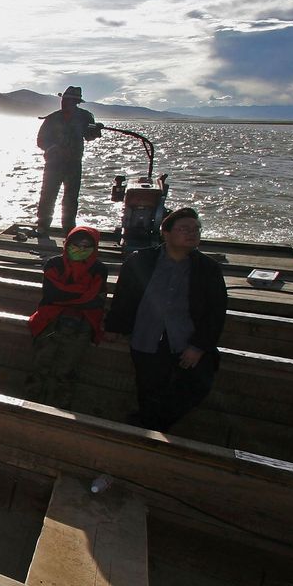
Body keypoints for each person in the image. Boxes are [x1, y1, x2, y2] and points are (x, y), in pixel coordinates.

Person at [104, 207, 228, 432]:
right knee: (148, 389)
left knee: (196, 385)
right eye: (184, 229)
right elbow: (124, 297)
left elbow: (215, 311)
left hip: (185, 340)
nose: (192, 233)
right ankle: (148, 430)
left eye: (196, 229)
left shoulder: (208, 269)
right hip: (147, 337)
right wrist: (113, 327)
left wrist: (198, 346)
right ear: (166, 233)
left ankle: (150, 424)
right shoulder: (141, 260)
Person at [25, 226, 108, 408]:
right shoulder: (54, 263)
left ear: (95, 248)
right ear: (67, 244)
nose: (81, 249)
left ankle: (60, 408)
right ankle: (31, 403)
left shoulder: (99, 269)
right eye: (76, 244)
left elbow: (95, 300)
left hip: (82, 325)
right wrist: (81, 294)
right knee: (40, 365)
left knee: (66, 371)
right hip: (50, 321)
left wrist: (67, 294)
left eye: (86, 246)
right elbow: (52, 293)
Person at [35, 86, 102, 236]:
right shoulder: (52, 118)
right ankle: (42, 226)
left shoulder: (85, 117)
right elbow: (40, 140)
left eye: (69, 100)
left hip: (74, 164)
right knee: (47, 195)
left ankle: (69, 229)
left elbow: (89, 136)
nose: (65, 103)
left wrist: (96, 131)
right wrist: (52, 148)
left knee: (71, 198)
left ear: (76, 102)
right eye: (64, 100)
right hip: (53, 164)